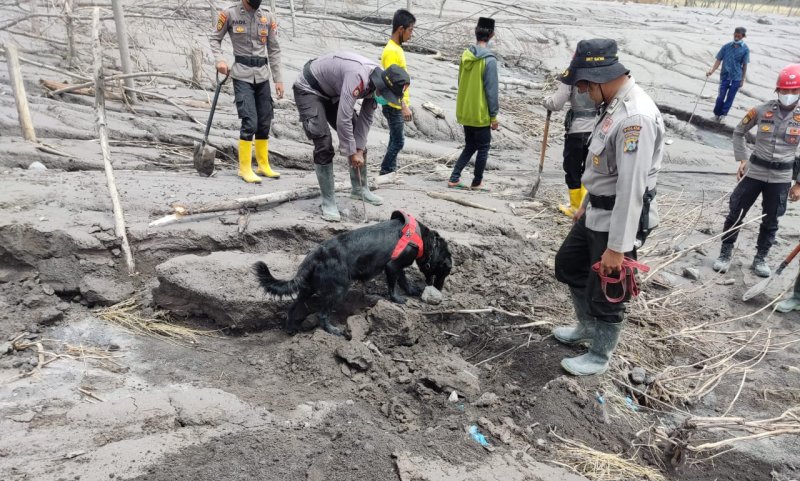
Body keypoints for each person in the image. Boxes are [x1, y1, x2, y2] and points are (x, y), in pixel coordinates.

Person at [553, 39, 663, 376]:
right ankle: (585, 327)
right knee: (569, 265)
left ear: (599, 78)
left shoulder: (635, 119)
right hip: (597, 209)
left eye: (584, 85)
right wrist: (586, 202)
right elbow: (604, 167)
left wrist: (618, 248)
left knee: (608, 288)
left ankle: (600, 355)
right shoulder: (612, 106)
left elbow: (630, 188)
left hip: (619, 217)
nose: (582, 92)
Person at [292, 52, 410, 222]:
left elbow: (366, 119)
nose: (387, 99)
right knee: (324, 143)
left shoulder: (380, 84)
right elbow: (343, 118)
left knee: (358, 140)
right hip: (310, 88)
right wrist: (352, 151)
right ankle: (328, 201)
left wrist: (359, 150)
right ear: (381, 86)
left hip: (333, 92)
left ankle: (359, 189)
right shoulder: (358, 77)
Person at [712, 64, 800, 278]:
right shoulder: (761, 110)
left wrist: (799, 183)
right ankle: (725, 253)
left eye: (793, 91)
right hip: (754, 172)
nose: (788, 95)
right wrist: (741, 158)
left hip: (781, 177)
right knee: (736, 213)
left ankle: (760, 258)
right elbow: (739, 131)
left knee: (771, 220)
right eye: (784, 90)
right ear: (777, 90)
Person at [210, 0, 283, 184]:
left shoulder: (267, 16)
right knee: (250, 121)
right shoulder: (229, 14)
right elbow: (214, 38)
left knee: (265, 121)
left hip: (263, 75)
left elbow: (274, 49)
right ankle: (244, 168)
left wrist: (278, 79)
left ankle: (263, 164)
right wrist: (219, 60)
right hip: (242, 75)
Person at [448, 17, 499, 191]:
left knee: (471, 145)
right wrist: (493, 116)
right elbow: (491, 92)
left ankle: (454, 177)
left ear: (476, 31)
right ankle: (477, 182)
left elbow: (460, 80)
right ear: (491, 34)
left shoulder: (465, 55)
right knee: (483, 147)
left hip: (465, 111)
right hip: (480, 113)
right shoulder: (489, 60)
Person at [543, 55, 596, 217]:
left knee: (572, 168)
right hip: (598, 131)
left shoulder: (571, 74)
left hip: (576, 131)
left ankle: (575, 207)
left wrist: (546, 101)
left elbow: (556, 104)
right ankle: (586, 208)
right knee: (591, 169)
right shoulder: (600, 73)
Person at [379, 9, 415, 175]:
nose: (411, 34)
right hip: (394, 103)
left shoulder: (396, 48)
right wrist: (404, 106)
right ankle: (386, 170)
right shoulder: (391, 51)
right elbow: (393, 83)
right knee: (399, 141)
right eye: (410, 30)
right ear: (401, 29)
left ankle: (390, 170)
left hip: (395, 102)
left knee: (394, 139)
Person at [707, 27, 750, 123]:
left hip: (736, 78)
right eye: (735, 35)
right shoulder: (726, 46)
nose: (736, 37)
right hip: (725, 76)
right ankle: (717, 114)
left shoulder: (745, 49)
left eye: (739, 36)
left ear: (743, 36)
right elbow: (718, 60)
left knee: (730, 97)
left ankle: (723, 115)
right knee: (721, 96)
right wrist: (712, 71)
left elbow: (745, 65)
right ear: (733, 34)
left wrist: (742, 79)